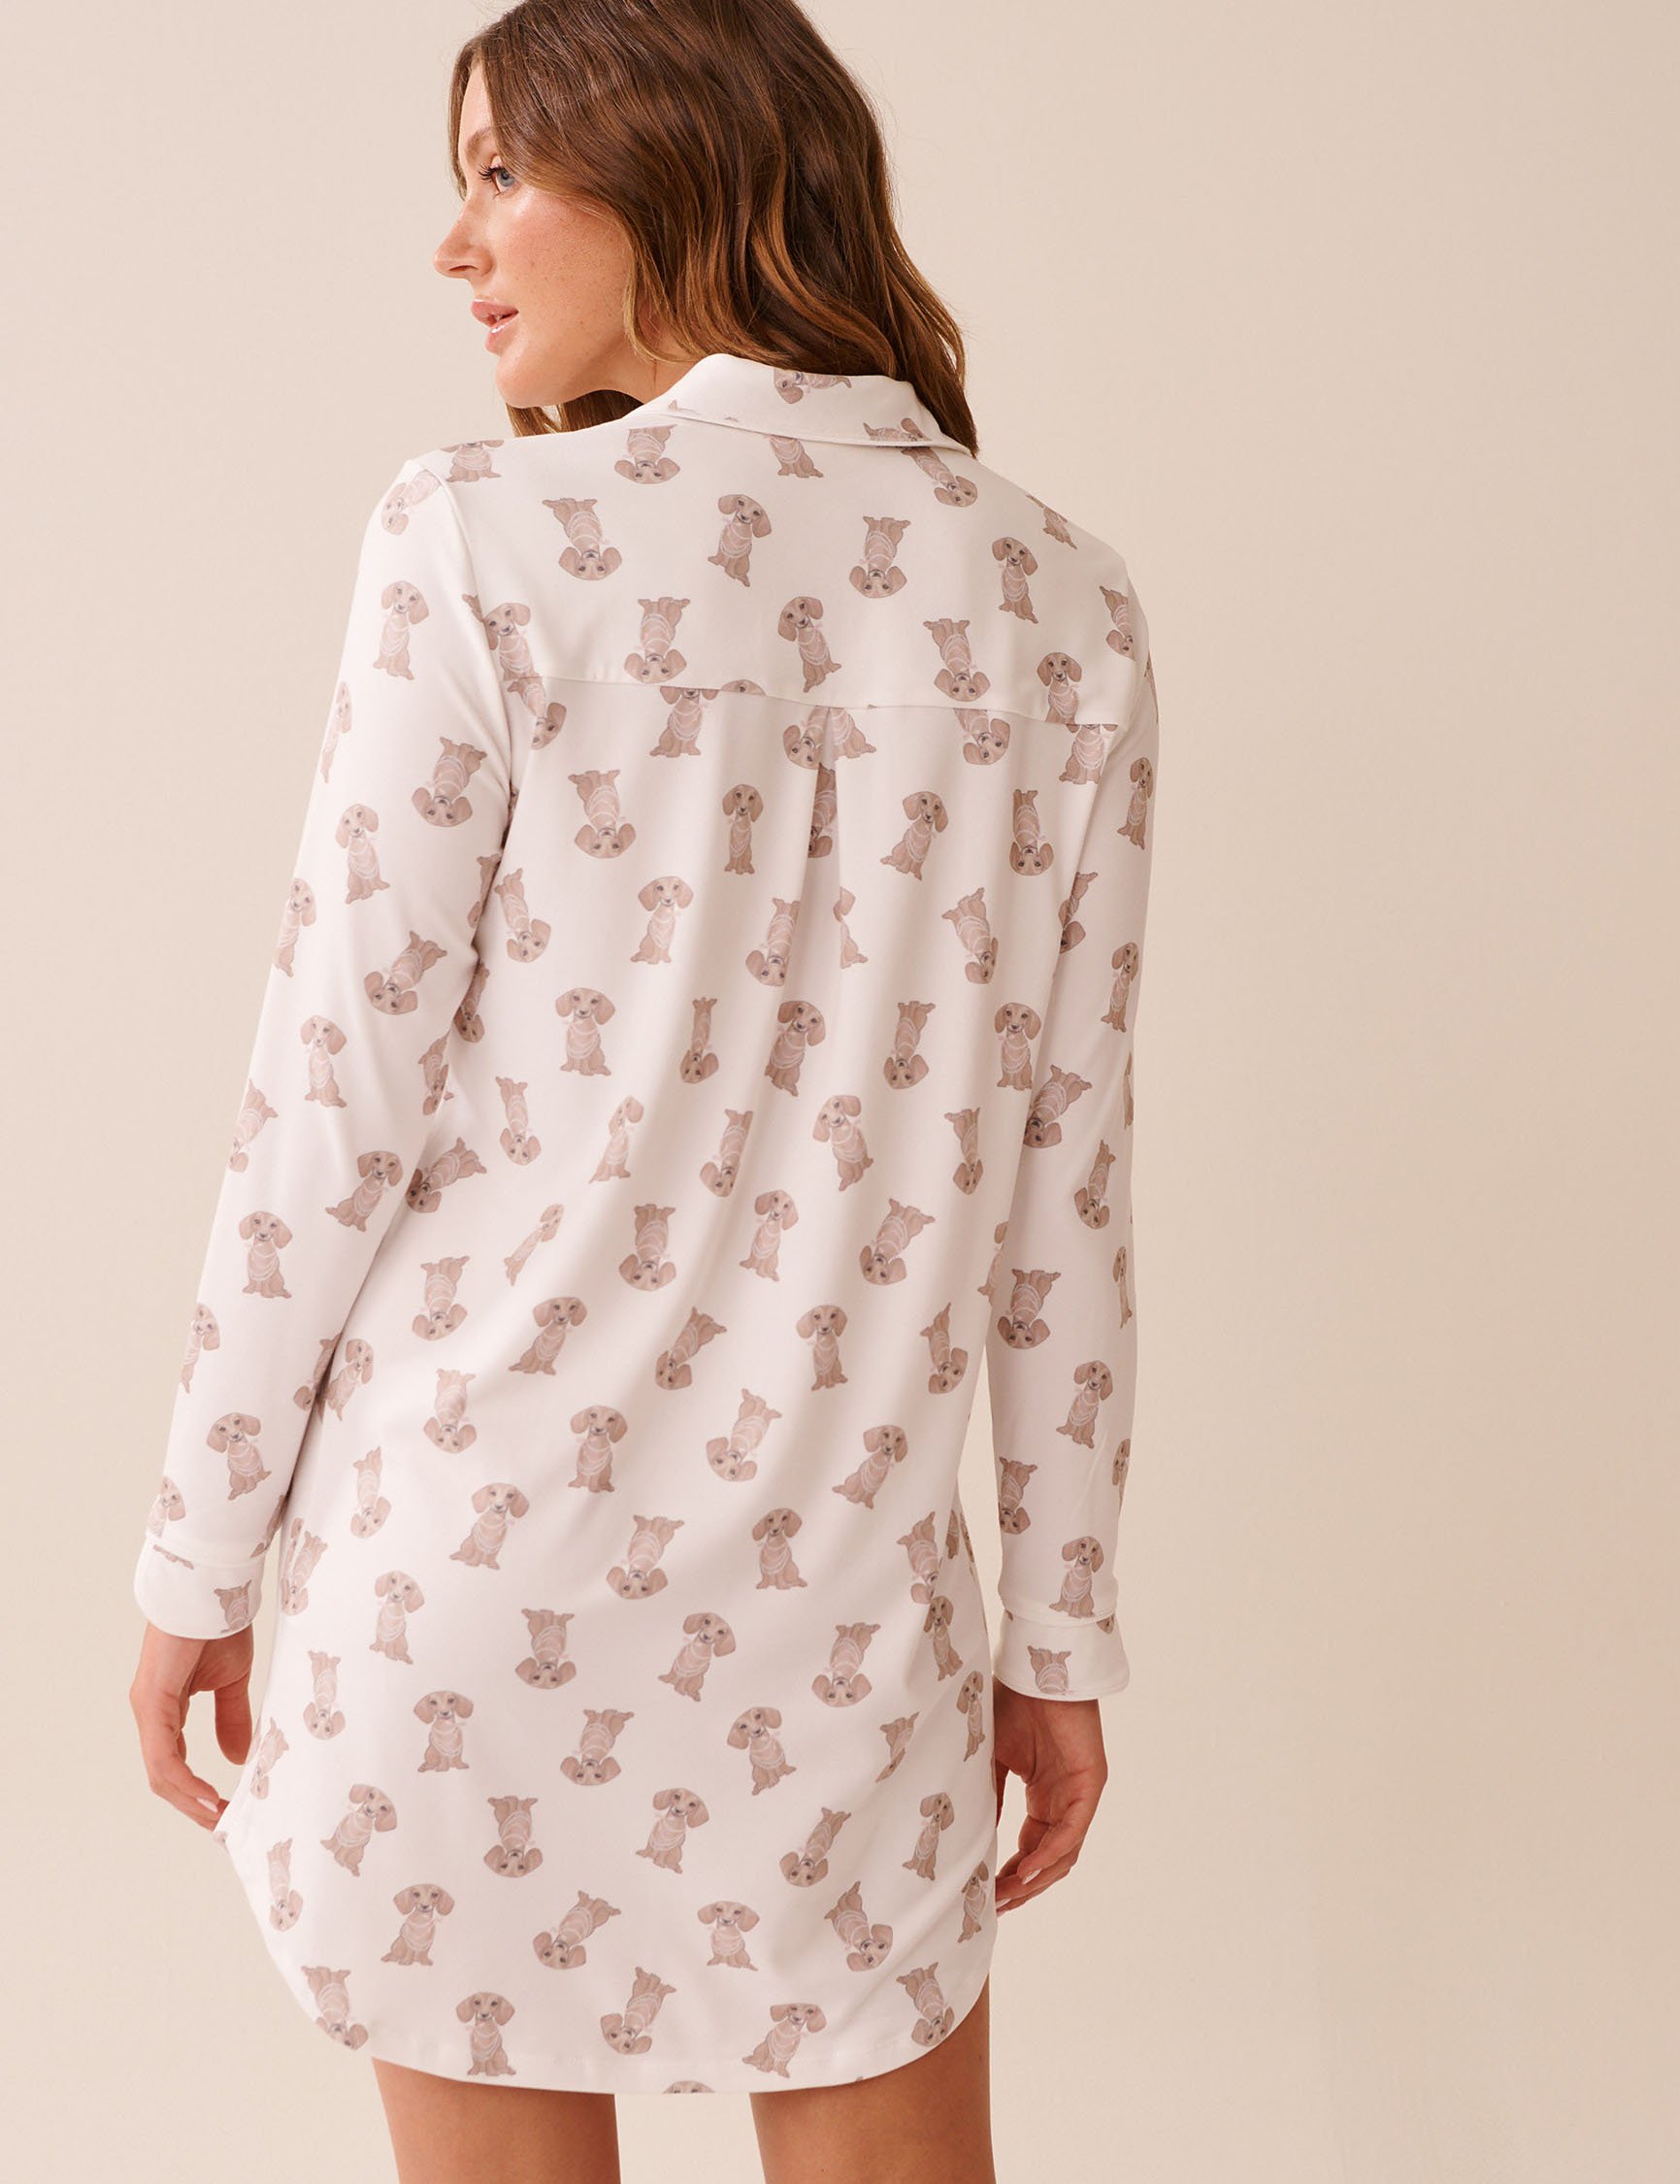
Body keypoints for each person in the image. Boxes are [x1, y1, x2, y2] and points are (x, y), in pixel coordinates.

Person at [128, 3, 1160, 2177]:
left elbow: (332, 1097)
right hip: (834, 1609)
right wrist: (1060, 1627)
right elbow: (1063, 1183)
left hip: (461, 1581)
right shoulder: (1061, 599)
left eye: (501, 172)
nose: (455, 245)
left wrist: (199, 1551)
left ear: (677, 167)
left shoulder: (478, 538)